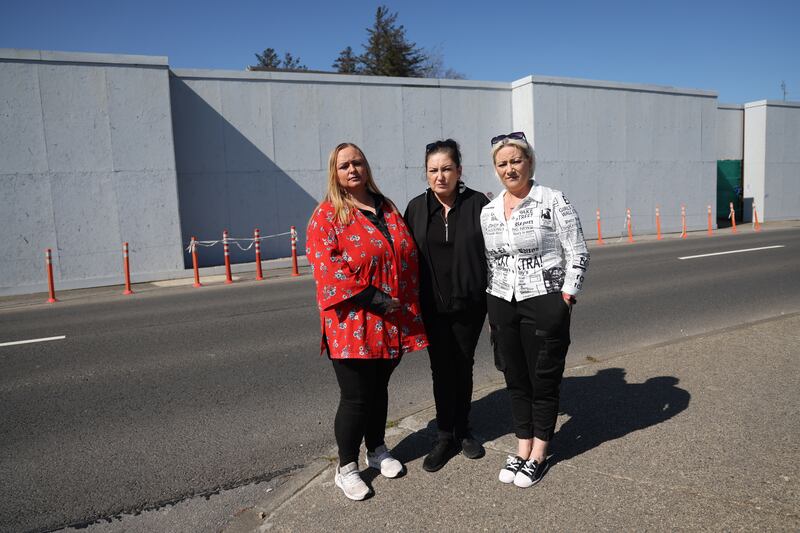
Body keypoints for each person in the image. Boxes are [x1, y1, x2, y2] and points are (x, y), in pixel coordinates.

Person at [306, 143, 429, 500]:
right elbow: (330, 272)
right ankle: (346, 468)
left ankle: (376, 449)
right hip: (352, 324)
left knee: (379, 391)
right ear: (335, 172)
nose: (352, 169)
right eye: (344, 165)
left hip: (391, 321)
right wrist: (378, 300)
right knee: (356, 397)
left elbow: (406, 254)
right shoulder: (327, 215)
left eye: (357, 162)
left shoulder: (385, 206)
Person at [480, 132, 589, 488]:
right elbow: (491, 261)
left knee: (543, 378)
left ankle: (539, 452)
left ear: (529, 162)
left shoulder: (552, 200)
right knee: (515, 378)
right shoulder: (489, 211)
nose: (510, 169)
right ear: (495, 169)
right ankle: (521, 446)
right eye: (502, 163)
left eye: (516, 161)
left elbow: (578, 252)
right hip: (502, 301)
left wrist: (566, 297)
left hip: (545, 299)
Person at [404, 139, 490, 472]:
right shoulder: (416, 208)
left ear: (459, 170)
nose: (440, 176)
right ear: (426, 173)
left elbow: (492, 253)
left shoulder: (478, 204)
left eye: (446, 169)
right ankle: (444, 435)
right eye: (433, 170)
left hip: (469, 303)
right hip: (432, 307)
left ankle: (463, 430)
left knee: (463, 364)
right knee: (441, 369)